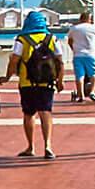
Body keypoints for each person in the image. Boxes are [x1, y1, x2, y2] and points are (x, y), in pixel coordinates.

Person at [13, 25, 62, 158]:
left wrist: (7, 76)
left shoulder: (22, 39)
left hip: (27, 82)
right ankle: (47, 146)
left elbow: (14, 59)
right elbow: (60, 61)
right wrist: (60, 81)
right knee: (45, 112)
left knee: (29, 114)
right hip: (47, 82)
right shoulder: (53, 38)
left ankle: (30, 147)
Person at [65, 8, 95, 105]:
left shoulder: (74, 28)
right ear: (89, 19)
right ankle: (93, 92)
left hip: (78, 55)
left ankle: (81, 95)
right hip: (91, 54)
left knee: (79, 76)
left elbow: (69, 41)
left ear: (80, 19)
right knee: (94, 74)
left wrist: (74, 49)